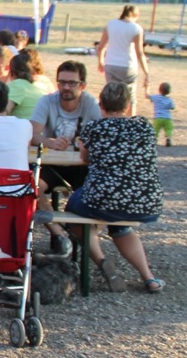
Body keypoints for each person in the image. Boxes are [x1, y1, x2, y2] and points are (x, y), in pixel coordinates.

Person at [65, 82, 165, 293]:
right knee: (119, 223)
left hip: (104, 198)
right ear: (128, 105)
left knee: (73, 210)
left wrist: (85, 147)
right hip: (144, 200)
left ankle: (101, 261)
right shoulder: (145, 126)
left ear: (101, 105)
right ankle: (149, 277)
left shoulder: (95, 128)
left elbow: (86, 159)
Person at [30, 60, 101, 256]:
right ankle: (59, 234)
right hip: (53, 164)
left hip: (81, 165)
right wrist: (48, 141)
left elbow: (101, 139)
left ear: (83, 85)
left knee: (93, 193)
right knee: (31, 186)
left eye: (72, 83)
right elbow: (32, 134)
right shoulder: (47, 101)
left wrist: (84, 144)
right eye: (62, 82)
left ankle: (87, 242)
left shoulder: (90, 104)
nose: (66, 88)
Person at [96, 4, 150, 105]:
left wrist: (100, 61)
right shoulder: (136, 28)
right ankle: (130, 118)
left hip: (111, 64)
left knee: (112, 94)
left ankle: (111, 118)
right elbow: (140, 53)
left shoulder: (111, 24)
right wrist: (146, 72)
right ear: (135, 15)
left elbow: (101, 47)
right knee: (130, 96)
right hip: (128, 65)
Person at [6, 51, 42, 120]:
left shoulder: (17, 85)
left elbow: (5, 111)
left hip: (23, 128)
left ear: (11, 72)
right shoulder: (39, 85)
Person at [149, 81, 176, 147]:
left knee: (156, 129)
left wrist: (147, 87)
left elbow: (148, 96)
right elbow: (173, 107)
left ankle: (154, 140)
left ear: (159, 90)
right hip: (167, 118)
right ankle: (168, 138)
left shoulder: (156, 97)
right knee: (169, 129)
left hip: (158, 117)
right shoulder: (169, 100)